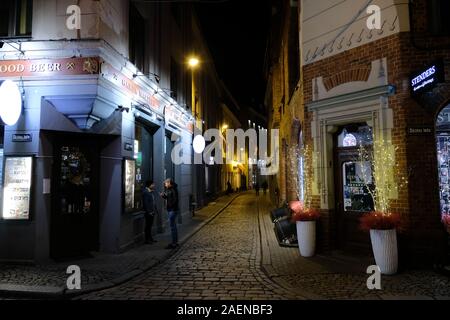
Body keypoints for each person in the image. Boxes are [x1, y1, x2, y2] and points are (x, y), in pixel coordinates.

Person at [160, 178, 179, 249]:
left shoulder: (173, 189)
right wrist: (163, 196)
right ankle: (175, 242)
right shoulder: (170, 189)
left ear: (169, 183)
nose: (165, 184)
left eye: (165, 183)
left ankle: (174, 243)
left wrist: (170, 207)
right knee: (173, 226)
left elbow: (174, 200)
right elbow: (169, 198)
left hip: (172, 210)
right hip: (171, 209)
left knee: (172, 227)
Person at [142, 180, 157, 244]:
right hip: (149, 212)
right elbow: (146, 203)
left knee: (150, 226)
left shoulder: (150, 192)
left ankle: (150, 238)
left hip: (152, 211)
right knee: (148, 226)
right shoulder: (146, 192)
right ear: (150, 185)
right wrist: (149, 211)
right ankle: (147, 239)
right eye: (153, 184)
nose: (154, 185)